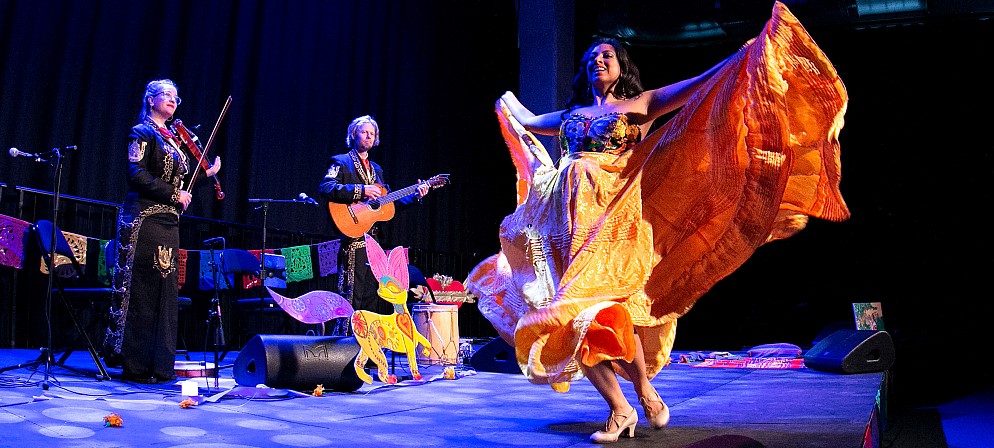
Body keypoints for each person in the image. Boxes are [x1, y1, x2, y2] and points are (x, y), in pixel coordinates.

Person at [465, 2, 849, 444]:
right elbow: (527, 122)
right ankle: (624, 407)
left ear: (621, 65)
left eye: (606, 55)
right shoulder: (570, 116)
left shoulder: (640, 105)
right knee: (575, 320)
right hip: (565, 227)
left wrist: (745, 56)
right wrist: (505, 104)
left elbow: (701, 86)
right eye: (591, 58)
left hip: (614, 221)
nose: (598, 60)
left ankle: (643, 394)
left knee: (604, 314)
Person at [103, 79, 221, 384]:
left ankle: (160, 365)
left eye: (176, 97)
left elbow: (182, 183)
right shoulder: (141, 133)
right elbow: (136, 174)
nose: (172, 100)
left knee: (165, 291)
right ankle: (136, 364)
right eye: (166, 95)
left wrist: (205, 176)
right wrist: (173, 194)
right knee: (142, 289)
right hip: (144, 218)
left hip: (169, 223)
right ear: (150, 99)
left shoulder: (174, 140)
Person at [319, 115, 429, 335]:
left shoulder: (376, 169)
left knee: (371, 295)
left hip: (373, 242)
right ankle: (344, 348)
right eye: (364, 132)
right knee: (352, 294)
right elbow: (326, 186)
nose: (368, 136)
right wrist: (361, 190)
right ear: (353, 134)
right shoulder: (340, 161)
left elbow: (387, 205)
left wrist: (415, 196)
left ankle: (366, 349)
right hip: (353, 238)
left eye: (372, 133)